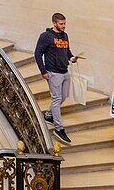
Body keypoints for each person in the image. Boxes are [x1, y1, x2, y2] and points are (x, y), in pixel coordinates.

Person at [34, 12, 80, 146]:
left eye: (65, 23)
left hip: (65, 71)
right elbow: (37, 53)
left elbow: (67, 52)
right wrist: (43, 71)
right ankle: (59, 129)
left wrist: (72, 58)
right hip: (53, 73)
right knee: (56, 98)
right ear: (54, 23)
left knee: (64, 96)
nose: (64, 26)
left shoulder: (65, 35)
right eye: (61, 24)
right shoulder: (46, 36)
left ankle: (48, 114)